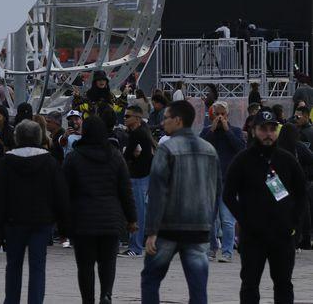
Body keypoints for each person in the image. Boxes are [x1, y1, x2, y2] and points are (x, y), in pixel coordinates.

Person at [223, 108, 307, 304]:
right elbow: (228, 195)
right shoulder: (242, 160)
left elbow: (301, 194)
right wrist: (244, 220)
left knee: (284, 284)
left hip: (282, 236)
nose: (268, 134)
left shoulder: (287, 160)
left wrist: (294, 223)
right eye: (263, 129)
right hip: (253, 237)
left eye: (272, 129)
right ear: (253, 131)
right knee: (250, 285)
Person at [141, 100, 220, 304]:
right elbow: (215, 190)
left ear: (178, 120)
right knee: (198, 287)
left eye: (166, 118)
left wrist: (151, 231)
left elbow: (158, 191)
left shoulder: (167, 149)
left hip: (169, 226)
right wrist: (209, 223)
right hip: (199, 227)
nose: (163, 122)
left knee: (150, 279)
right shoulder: (209, 149)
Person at [0, 119, 68, 304]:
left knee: (13, 266)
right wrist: (64, 228)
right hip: (41, 222)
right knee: (38, 267)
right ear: (39, 136)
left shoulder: (7, 162)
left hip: (14, 221)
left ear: (17, 137)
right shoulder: (49, 162)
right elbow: (60, 195)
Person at [63, 116, 137, 304]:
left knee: (85, 266)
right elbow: (125, 190)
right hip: (110, 219)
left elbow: (64, 191)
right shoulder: (115, 156)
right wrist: (132, 218)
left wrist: (63, 220)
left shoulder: (74, 157)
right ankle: (106, 294)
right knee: (108, 263)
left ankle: (88, 300)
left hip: (83, 220)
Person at [199, 99, 245, 263]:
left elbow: (240, 149)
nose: (219, 117)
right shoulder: (206, 131)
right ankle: (212, 249)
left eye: (222, 114)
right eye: (216, 114)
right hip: (210, 180)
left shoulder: (236, 131)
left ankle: (227, 251)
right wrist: (212, 130)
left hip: (228, 180)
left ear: (227, 115)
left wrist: (227, 130)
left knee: (227, 219)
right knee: (209, 219)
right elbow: (201, 148)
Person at [121, 103, 155, 257]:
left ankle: (135, 247)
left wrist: (132, 159)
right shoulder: (143, 131)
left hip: (138, 177)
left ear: (137, 118)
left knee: (137, 213)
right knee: (141, 212)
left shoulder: (136, 133)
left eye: (128, 116)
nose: (125, 118)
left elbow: (126, 155)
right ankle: (136, 245)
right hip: (143, 176)